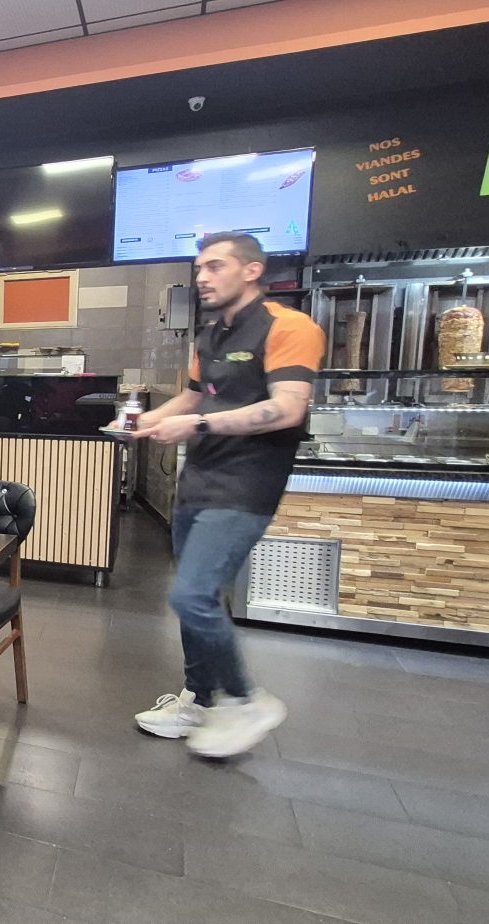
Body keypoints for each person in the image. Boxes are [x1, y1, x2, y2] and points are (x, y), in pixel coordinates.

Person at [129, 232, 325, 759]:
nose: (202, 278)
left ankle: (245, 699)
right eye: (200, 269)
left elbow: (287, 408)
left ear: (252, 270)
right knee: (200, 598)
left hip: (245, 485)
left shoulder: (290, 327)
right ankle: (199, 698)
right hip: (198, 482)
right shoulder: (211, 334)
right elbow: (193, 396)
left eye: (215, 266)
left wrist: (196, 425)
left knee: (189, 596)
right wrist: (145, 422)